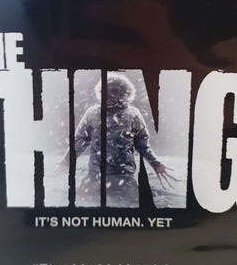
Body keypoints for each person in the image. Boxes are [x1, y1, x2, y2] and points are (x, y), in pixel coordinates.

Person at [58, 73, 177, 207]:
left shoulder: (132, 114)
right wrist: (66, 160)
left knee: (129, 206)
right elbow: (80, 141)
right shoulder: (93, 113)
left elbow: (142, 143)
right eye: (109, 90)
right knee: (86, 205)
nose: (113, 95)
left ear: (126, 92)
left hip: (123, 177)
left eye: (116, 90)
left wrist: (156, 164)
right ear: (102, 92)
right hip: (97, 176)